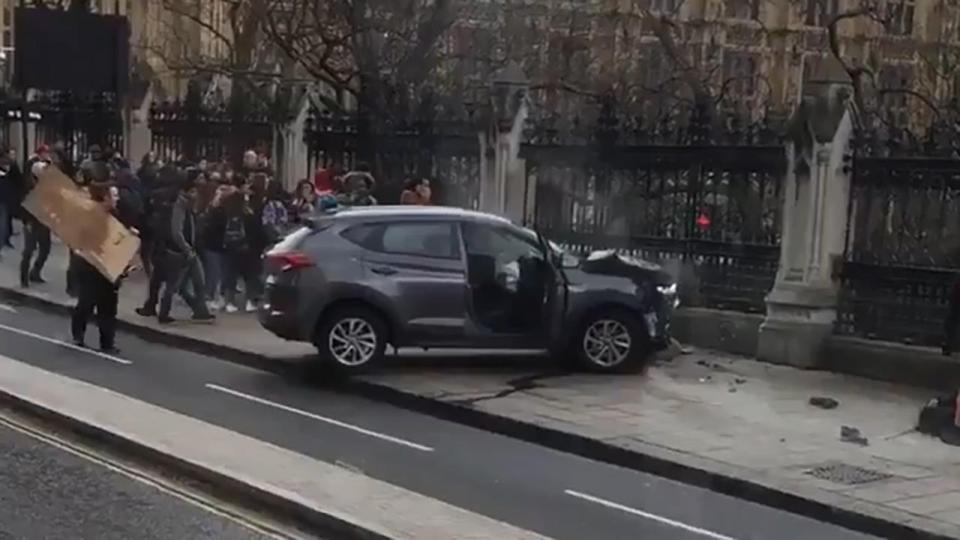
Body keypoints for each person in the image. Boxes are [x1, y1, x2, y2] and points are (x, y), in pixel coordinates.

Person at [71, 183, 129, 353]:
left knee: (109, 307)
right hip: (91, 267)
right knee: (87, 303)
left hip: (109, 268)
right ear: (105, 198)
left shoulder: (115, 216)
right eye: (114, 195)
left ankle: (107, 344)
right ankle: (78, 335)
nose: (117, 199)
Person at [156, 174, 215, 324]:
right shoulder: (179, 205)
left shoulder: (190, 206)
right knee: (173, 285)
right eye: (194, 191)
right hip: (179, 252)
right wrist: (186, 249)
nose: (196, 195)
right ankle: (163, 313)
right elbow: (177, 232)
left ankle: (200, 311)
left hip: (191, 250)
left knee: (199, 281)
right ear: (187, 191)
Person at [20, 147, 53, 287]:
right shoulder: (29, 185)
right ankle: (24, 277)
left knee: (45, 247)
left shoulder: (44, 185)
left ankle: (35, 272)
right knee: (29, 249)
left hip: (43, 218)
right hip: (32, 220)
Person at [261, 179, 290, 245]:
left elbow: (282, 220)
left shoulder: (278, 204)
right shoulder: (264, 202)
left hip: (276, 237)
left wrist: (276, 230)